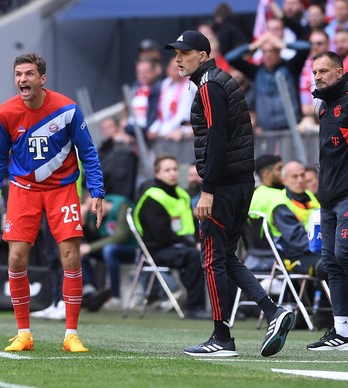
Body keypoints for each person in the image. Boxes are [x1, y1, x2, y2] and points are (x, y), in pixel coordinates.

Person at [165, 30, 294, 357]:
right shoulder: (220, 81)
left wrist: (207, 189)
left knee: (211, 259)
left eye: (185, 52)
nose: (178, 58)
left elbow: (218, 137)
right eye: (176, 53)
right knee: (225, 256)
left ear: (203, 56)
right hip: (239, 182)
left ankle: (221, 338)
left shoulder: (209, 85)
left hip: (221, 187)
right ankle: (273, 310)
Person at [0, 52, 105, 353]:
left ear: (42, 78)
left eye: (29, 74)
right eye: (18, 74)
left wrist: (96, 191)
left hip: (62, 188)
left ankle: (71, 334)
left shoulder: (68, 110)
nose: (23, 79)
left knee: (71, 257)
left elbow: (88, 153)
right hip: (22, 190)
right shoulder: (5, 113)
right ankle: (24, 333)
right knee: (16, 259)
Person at [307, 51, 348, 350]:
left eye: (324, 71)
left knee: (346, 255)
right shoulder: (325, 107)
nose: (318, 76)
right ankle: (342, 333)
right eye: (314, 72)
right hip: (328, 199)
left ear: (340, 73)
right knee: (331, 263)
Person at [134, 155, 209, 319]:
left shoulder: (182, 194)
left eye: (174, 169)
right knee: (194, 256)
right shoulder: (152, 197)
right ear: (157, 174)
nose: (173, 173)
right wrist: (191, 244)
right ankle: (195, 308)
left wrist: (198, 241)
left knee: (213, 251)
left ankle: (228, 308)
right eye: (167, 170)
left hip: (182, 245)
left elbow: (192, 224)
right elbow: (161, 234)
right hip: (158, 249)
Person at [80, 194, 135, 309]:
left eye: (93, 205)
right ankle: (91, 290)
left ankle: (115, 295)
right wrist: (83, 220)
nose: (92, 210)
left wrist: (91, 247)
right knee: (79, 252)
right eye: (89, 207)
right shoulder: (93, 215)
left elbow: (121, 236)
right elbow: (91, 237)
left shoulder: (121, 206)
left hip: (131, 248)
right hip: (107, 249)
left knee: (109, 250)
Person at [267, 161, 323, 276]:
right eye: (294, 176)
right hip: (294, 257)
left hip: (316, 249)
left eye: (302, 175)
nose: (300, 180)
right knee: (332, 265)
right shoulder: (281, 205)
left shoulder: (309, 195)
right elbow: (299, 241)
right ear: (284, 180)